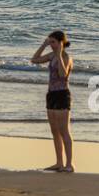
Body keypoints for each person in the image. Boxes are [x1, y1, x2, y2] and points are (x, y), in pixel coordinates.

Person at [30, 30, 74, 172]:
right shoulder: (51, 55)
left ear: (61, 43)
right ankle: (59, 163)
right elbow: (34, 60)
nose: (51, 45)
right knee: (55, 131)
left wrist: (59, 54)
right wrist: (43, 45)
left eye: (53, 42)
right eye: (50, 42)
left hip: (62, 95)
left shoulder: (66, 57)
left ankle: (69, 164)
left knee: (64, 131)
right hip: (51, 94)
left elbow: (62, 74)